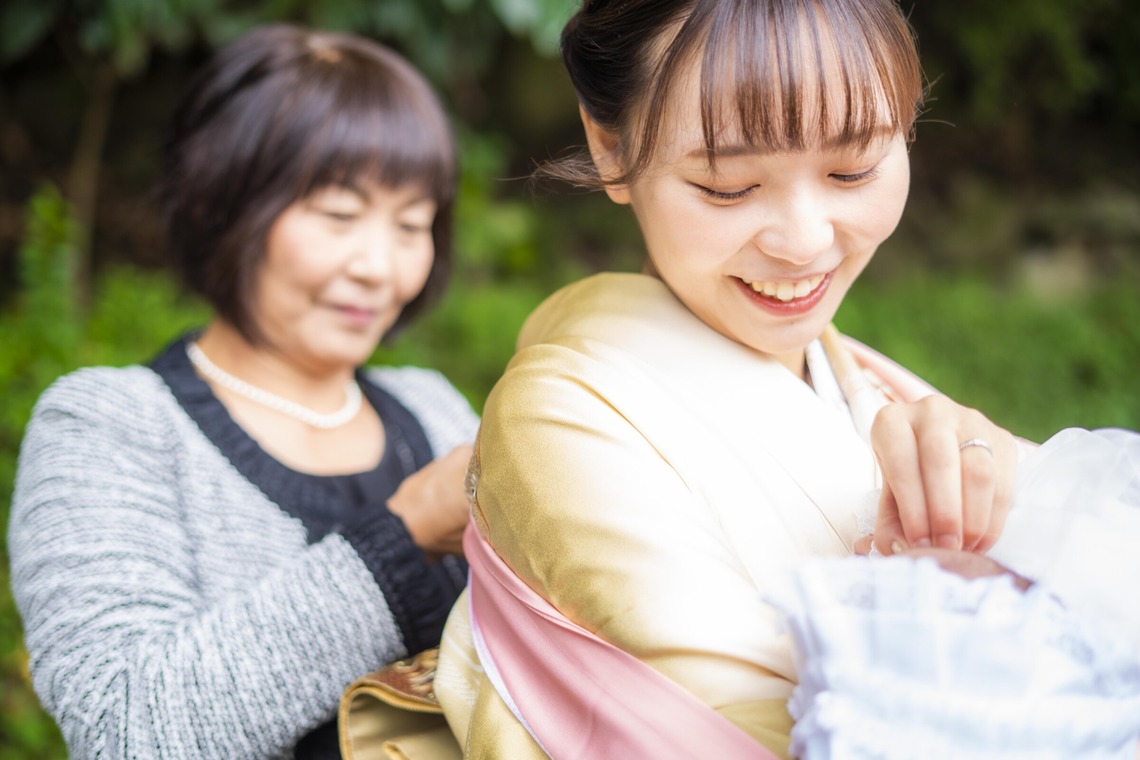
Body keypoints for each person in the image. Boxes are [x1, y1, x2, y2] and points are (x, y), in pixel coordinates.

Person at [336, 0, 1136, 758]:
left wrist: (1002, 500)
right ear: (610, 146)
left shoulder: (874, 389)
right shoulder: (563, 419)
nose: (803, 240)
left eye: (854, 170)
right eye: (729, 186)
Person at [9, 24, 477, 760]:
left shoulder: (434, 407)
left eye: (412, 225)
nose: (380, 267)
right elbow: (125, 729)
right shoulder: (107, 425)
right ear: (224, 204)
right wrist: (405, 532)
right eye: (339, 216)